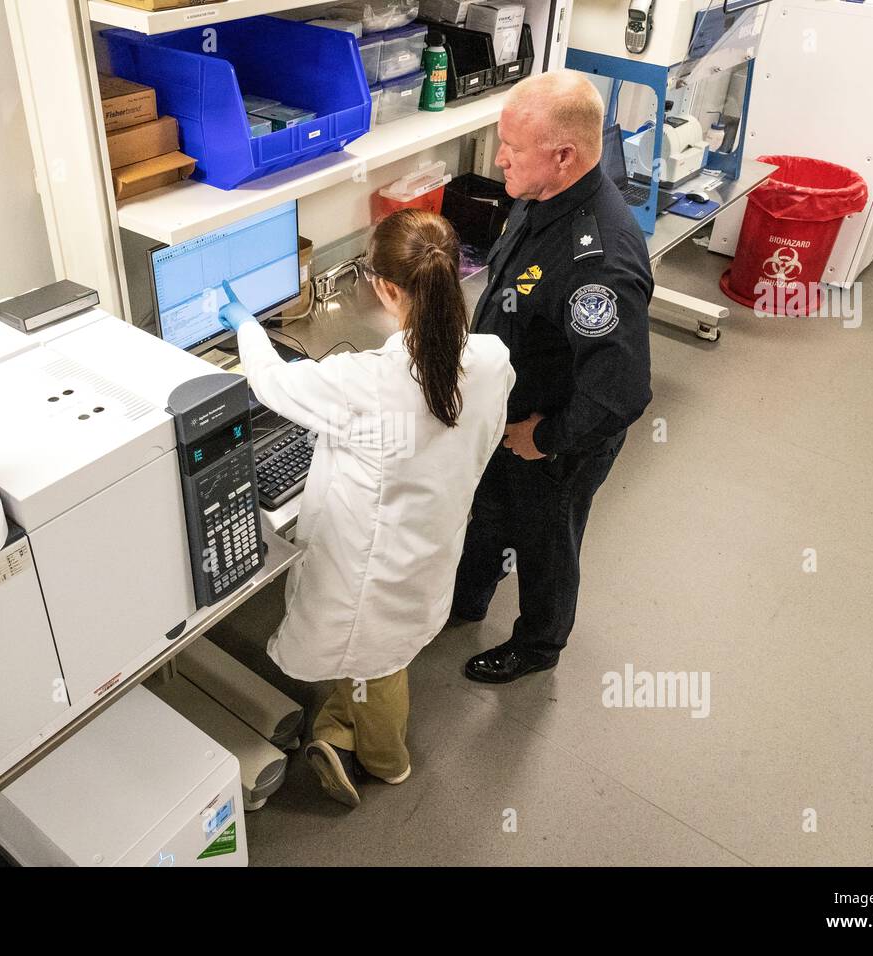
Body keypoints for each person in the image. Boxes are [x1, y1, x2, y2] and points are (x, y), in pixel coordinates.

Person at [218, 210, 514, 807]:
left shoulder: (366, 381)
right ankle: (337, 729)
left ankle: (387, 760)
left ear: (384, 288)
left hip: (371, 564)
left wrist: (246, 326)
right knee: (379, 650)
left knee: (379, 662)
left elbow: (272, 384)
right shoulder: (491, 359)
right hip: (431, 542)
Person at [450, 71, 653, 684]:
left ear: (564, 155)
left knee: (547, 539)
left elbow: (619, 393)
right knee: (489, 511)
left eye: (513, 146)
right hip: (508, 418)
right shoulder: (539, 194)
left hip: (558, 438)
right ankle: (466, 599)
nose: (499, 157)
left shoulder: (598, 262)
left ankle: (539, 644)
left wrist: (544, 439)